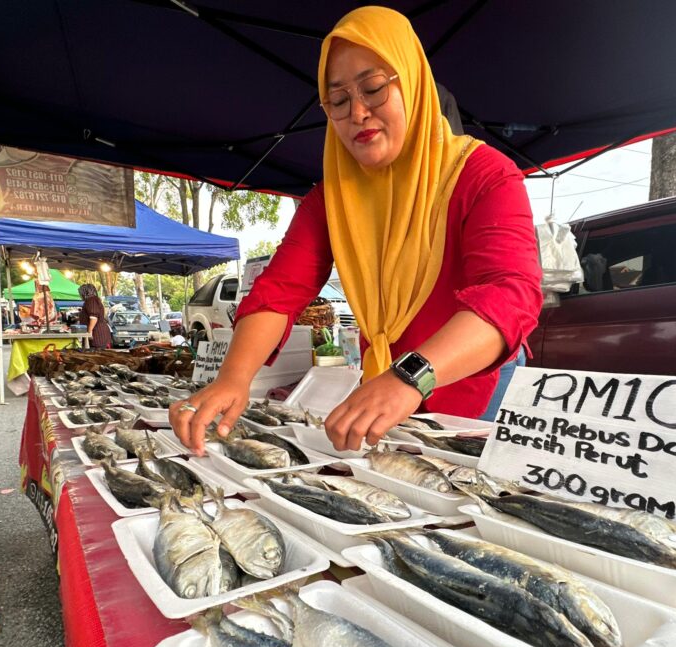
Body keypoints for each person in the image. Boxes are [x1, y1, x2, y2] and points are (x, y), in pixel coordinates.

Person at [170, 7, 542, 453]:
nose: (358, 113)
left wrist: (411, 375)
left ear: (413, 84)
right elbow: (280, 288)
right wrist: (232, 378)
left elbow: (510, 294)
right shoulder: (333, 197)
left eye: (373, 89)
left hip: (471, 382)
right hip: (386, 381)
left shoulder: (484, 174)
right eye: (339, 101)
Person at [78, 283, 113, 349]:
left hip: (97, 335)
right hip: (98, 334)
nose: (80, 295)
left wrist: (89, 332)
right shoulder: (93, 300)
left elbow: (93, 317)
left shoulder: (91, 300)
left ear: (85, 292)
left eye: (80, 293)